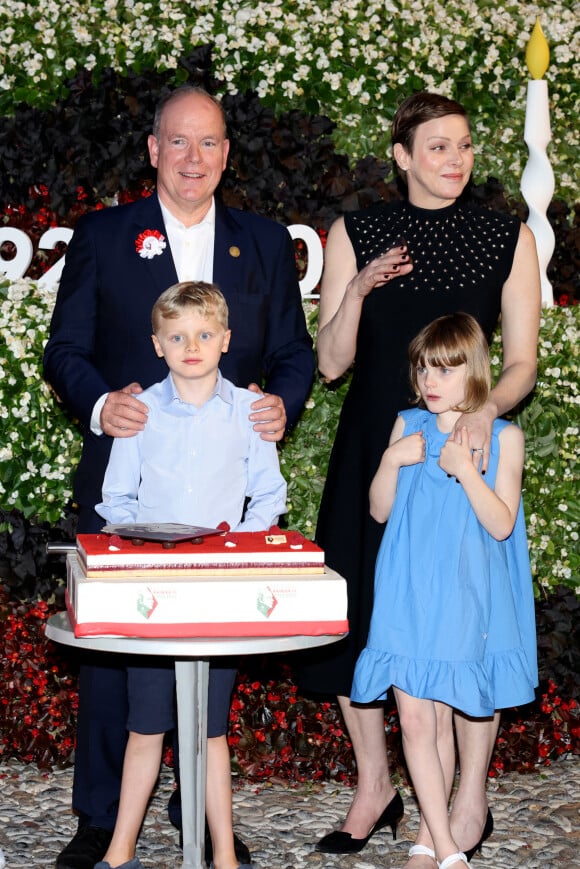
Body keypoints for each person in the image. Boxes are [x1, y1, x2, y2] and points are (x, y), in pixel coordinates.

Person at [43, 85, 314, 869]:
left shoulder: (263, 242)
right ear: (153, 150)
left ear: (226, 152)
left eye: (210, 143)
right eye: (179, 143)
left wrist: (280, 407)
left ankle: (200, 806)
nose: (195, 158)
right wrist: (102, 406)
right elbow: (66, 349)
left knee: (212, 658)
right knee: (114, 662)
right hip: (129, 485)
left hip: (221, 503)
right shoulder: (103, 234)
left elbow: (293, 354)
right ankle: (101, 820)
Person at [299, 92, 541, 865]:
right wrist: (360, 289)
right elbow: (330, 361)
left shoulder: (508, 237)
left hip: (463, 456)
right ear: (402, 156)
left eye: (465, 145)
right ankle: (376, 783)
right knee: (357, 613)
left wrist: (481, 415)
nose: (455, 160)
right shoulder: (357, 232)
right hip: (379, 444)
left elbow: (522, 363)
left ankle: (470, 794)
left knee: (466, 623)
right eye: (437, 147)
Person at [92, 280, 287, 869]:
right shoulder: (141, 413)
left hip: (220, 589)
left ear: (226, 340)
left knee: (209, 733)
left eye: (204, 334)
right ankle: (119, 849)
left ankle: (223, 854)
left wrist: (243, 552)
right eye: (178, 336)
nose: (192, 345)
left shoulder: (249, 414)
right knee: (146, 727)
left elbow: (269, 495)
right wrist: (138, 550)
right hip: (155, 592)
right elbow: (117, 499)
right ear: (158, 344)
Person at [351, 312, 537, 869]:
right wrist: (390, 460)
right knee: (412, 718)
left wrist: (466, 471)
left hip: (462, 593)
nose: (432, 381)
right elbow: (379, 509)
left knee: (451, 704)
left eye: (447, 370)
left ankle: (441, 838)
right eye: (426, 369)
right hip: (405, 588)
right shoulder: (407, 426)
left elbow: (501, 524)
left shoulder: (505, 437)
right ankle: (442, 843)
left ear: (474, 373)